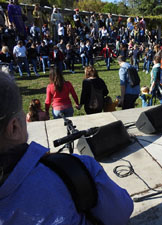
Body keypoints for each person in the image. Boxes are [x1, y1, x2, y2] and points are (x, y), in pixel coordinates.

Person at [0, 73, 134, 224]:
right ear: (14, 127)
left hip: (57, 109)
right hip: (67, 108)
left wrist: (46, 109)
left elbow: (48, 100)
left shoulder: (50, 86)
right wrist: (77, 104)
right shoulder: (73, 168)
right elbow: (120, 212)